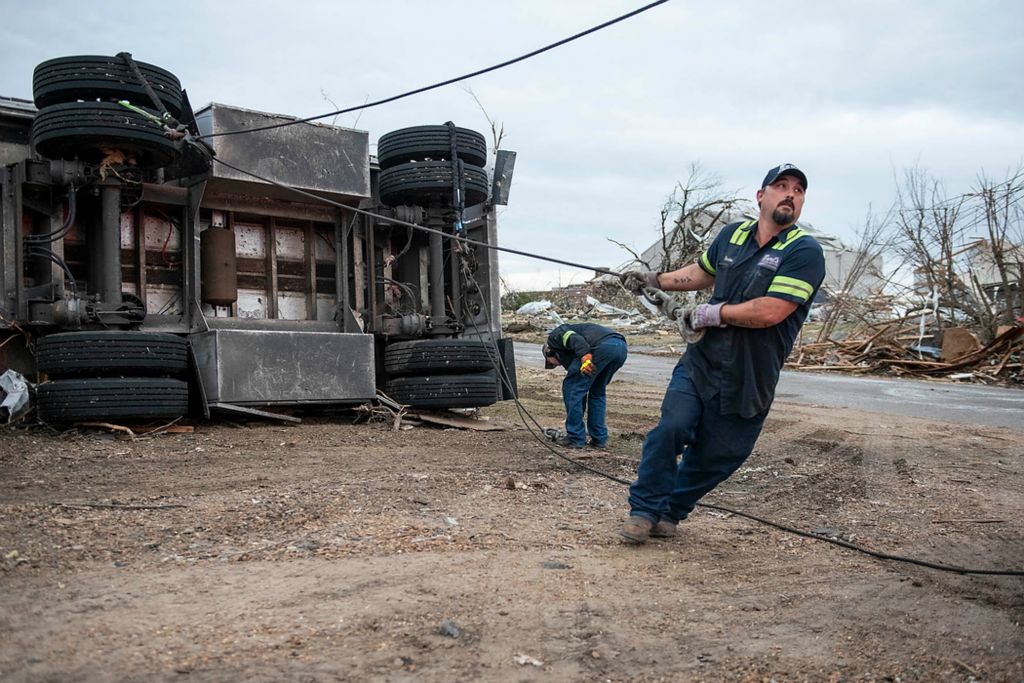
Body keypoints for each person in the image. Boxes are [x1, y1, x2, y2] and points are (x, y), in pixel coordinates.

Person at [617, 164, 825, 543]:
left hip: (751, 372)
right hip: (703, 360)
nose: (790, 194)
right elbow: (703, 272)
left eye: (798, 190)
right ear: (761, 196)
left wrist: (714, 313)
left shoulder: (804, 251)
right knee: (671, 428)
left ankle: (672, 510)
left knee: (722, 453)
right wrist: (654, 280)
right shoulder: (733, 235)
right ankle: (644, 510)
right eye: (781, 186)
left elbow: (772, 311)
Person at [542, 323, 628, 449]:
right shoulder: (572, 342)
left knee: (572, 389)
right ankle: (599, 439)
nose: (559, 365)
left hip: (600, 347)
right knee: (597, 392)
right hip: (620, 348)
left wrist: (585, 358)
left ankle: (575, 437)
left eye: (555, 363)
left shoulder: (555, 337)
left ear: (549, 352)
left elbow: (575, 339)